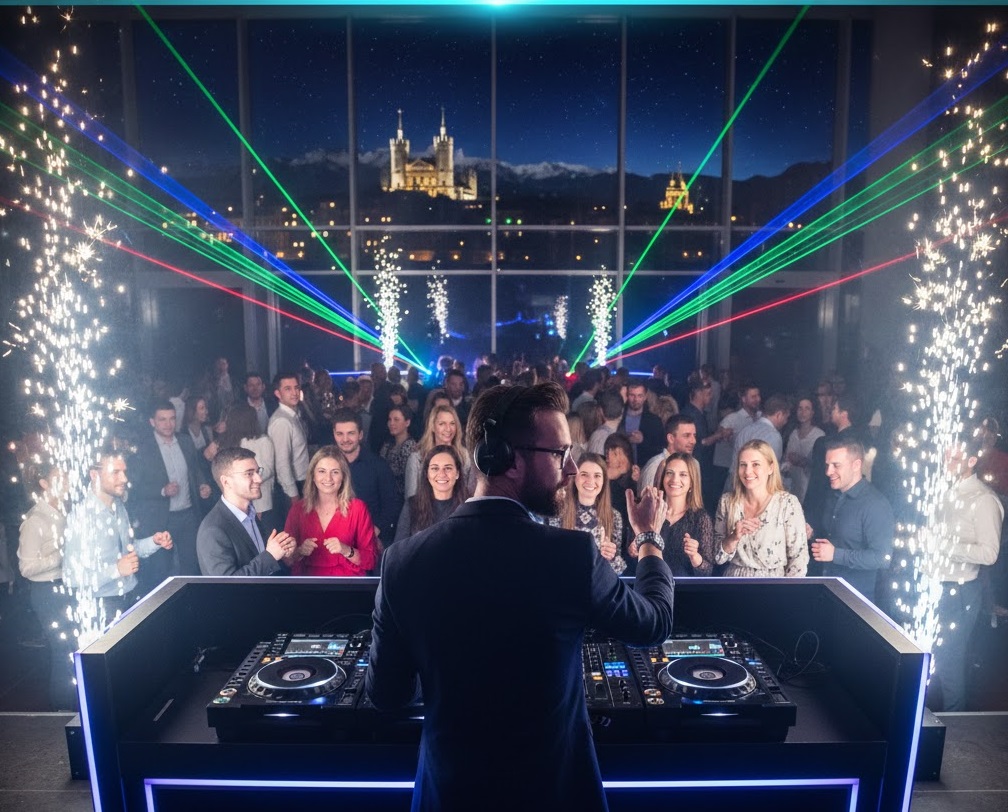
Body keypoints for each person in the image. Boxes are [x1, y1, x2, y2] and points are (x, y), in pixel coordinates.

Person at [366, 382, 674, 812]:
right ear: (504, 457)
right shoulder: (572, 556)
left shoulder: (402, 562)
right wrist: (650, 539)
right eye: (560, 453)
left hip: (451, 795)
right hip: (555, 795)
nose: (571, 468)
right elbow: (653, 622)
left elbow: (387, 696)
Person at [928, 436, 1003, 712]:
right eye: (946, 455)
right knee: (931, 656)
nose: (947, 462)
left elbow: (989, 554)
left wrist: (944, 547)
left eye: (955, 457)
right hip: (933, 584)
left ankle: (955, 727)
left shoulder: (984, 500)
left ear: (972, 461)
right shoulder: (942, 490)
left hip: (959, 592)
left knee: (949, 663)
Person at [63, 446, 174, 622]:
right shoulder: (81, 517)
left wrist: (154, 542)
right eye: (115, 473)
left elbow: (129, 549)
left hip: (130, 593)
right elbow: (71, 578)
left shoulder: (118, 506)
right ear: (94, 475)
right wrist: (116, 570)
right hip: (103, 606)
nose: (124, 478)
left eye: (123, 472)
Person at [16, 459, 77, 710]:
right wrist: (63, 554)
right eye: (58, 478)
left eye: (66, 476)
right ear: (43, 483)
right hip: (47, 592)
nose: (66, 482)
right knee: (62, 650)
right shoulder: (35, 520)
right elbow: (26, 567)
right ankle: (63, 708)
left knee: (73, 648)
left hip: (66, 585)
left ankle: (75, 703)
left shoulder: (64, 510)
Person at [130, 400, 211, 584]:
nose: (168, 424)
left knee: (192, 565)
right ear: (152, 422)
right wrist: (162, 491)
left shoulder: (185, 441)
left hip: (188, 515)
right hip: (160, 519)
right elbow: (135, 487)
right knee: (162, 570)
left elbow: (195, 470)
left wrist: (202, 485)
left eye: (172, 419)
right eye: (162, 419)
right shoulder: (144, 448)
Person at [809, 439, 894, 604]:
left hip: (855, 601)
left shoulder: (876, 504)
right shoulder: (832, 496)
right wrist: (812, 535)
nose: (828, 472)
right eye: (827, 465)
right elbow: (834, 540)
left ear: (856, 465)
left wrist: (836, 555)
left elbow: (882, 558)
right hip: (824, 592)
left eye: (836, 465)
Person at [196, 447, 297, 577]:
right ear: (226, 482)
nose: (259, 479)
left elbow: (259, 560)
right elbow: (227, 585)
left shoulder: (251, 514)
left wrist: (282, 554)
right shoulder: (213, 530)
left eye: (257, 471)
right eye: (249, 473)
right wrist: (270, 556)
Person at [714, 439, 808, 578]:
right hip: (734, 582)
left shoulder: (787, 504)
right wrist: (733, 538)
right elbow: (717, 557)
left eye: (755, 464)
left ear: (771, 468)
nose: (748, 471)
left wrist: (787, 591)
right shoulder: (727, 502)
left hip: (773, 584)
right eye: (743, 465)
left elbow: (798, 561)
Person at [285, 446, 377, 577]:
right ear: (313, 476)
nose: (328, 478)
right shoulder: (298, 510)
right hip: (307, 585)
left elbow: (371, 561)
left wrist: (346, 550)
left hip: (348, 585)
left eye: (335, 472)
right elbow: (286, 560)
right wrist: (300, 551)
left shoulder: (358, 508)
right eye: (322, 471)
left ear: (343, 476)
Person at [331, 408, 402, 545]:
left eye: (351, 433)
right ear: (334, 434)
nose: (345, 439)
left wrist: (374, 532)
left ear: (360, 435)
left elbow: (392, 505)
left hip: (370, 538)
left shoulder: (379, 466)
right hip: (335, 539)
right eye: (340, 434)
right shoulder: (327, 466)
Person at [551, 452, 627, 575]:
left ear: (604, 481)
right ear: (575, 478)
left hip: (598, 585)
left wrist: (611, 558)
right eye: (584, 474)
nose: (590, 481)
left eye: (597, 476)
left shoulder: (614, 517)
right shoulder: (558, 511)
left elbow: (619, 570)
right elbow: (549, 559)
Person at [652, 452, 715, 577]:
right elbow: (631, 562)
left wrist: (694, 556)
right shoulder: (650, 513)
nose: (675, 479)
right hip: (651, 585)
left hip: (683, 587)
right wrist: (634, 551)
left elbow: (707, 571)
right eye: (669, 473)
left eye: (683, 474)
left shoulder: (700, 518)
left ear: (692, 482)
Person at [221, 403, 279, 536]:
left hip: (262, 500)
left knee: (265, 535)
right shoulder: (232, 442)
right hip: (240, 501)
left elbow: (268, 469)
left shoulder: (263, 441)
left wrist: (249, 476)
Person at [394, 445, 468, 542]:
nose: (442, 474)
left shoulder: (468, 506)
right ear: (427, 474)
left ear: (457, 473)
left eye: (448, 468)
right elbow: (399, 547)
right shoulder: (412, 505)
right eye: (435, 468)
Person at [723, 394, 791, 493]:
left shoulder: (745, 430)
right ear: (779, 415)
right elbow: (769, 473)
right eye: (786, 418)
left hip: (733, 483)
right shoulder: (774, 436)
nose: (786, 422)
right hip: (752, 490)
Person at [404, 404, 473, 499]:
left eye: (452, 423)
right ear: (432, 427)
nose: (448, 429)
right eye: (442, 424)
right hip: (425, 507)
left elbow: (470, 494)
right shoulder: (416, 458)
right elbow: (410, 498)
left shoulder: (465, 456)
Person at [268, 371, 309, 518]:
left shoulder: (292, 415)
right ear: (278, 393)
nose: (294, 392)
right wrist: (293, 495)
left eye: (296, 387)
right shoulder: (282, 421)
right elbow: (282, 463)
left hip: (301, 482)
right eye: (288, 389)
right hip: (293, 486)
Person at [638, 414, 697, 496]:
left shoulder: (693, 464)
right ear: (671, 438)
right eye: (686, 436)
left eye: (694, 436)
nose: (693, 441)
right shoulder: (655, 466)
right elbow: (648, 501)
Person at [783, 396, 825, 502]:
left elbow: (821, 466)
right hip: (792, 485)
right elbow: (786, 459)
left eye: (807, 408)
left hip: (809, 487)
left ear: (813, 412)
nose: (803, 412)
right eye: (800, 408)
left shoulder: (819, 435)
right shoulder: (793, 433)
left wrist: (803, 461)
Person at [619, 380, 665, 466]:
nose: (635, 399)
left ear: (645, 397)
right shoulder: (619, 417)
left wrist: (643, 440)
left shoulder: (654, 421)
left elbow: (660, 448)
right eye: (632, 395)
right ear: (627, 396)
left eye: (640, 396)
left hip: (644, 467)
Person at [380, 404, 418, 499]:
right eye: (390, 419)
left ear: (407, 423)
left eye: (396, 420)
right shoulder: (387, 445)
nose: (391, 423)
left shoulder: (410, 447)